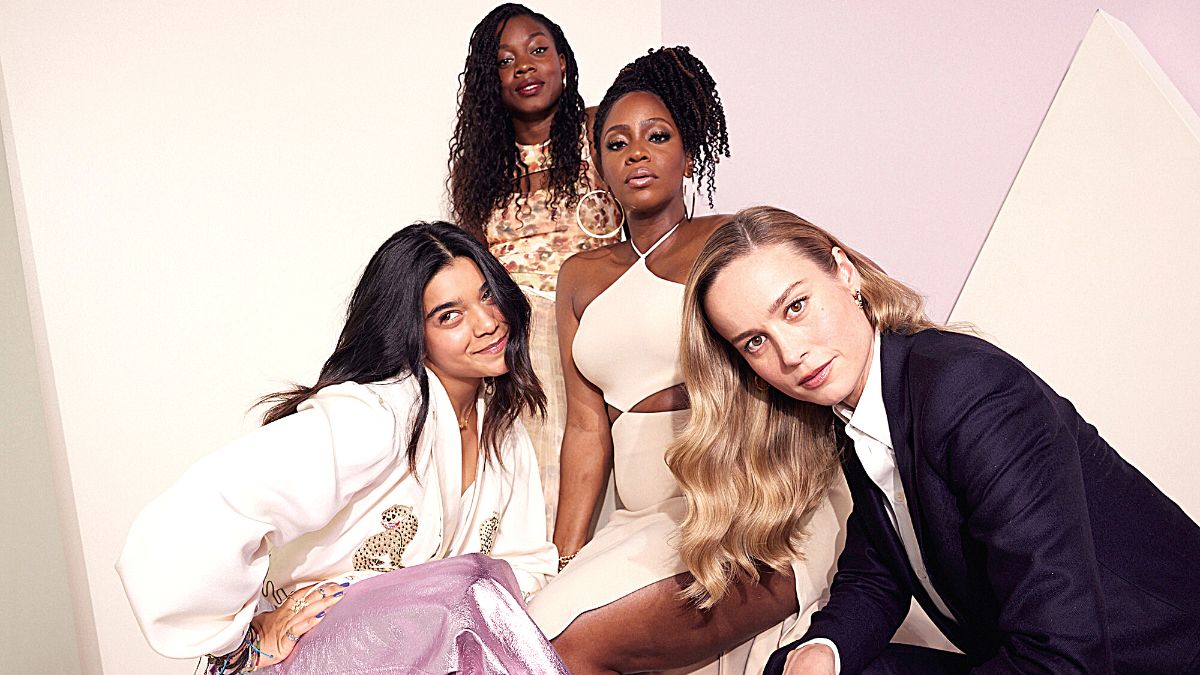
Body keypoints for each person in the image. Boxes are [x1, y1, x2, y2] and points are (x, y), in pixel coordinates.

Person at [676, 205, 1200, 674]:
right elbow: (878, 565)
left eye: (795, 307)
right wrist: (823, 651)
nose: (789, 353)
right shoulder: (865, 405)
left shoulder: (969, 394)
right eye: (755, 342)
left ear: (845, 272)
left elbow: (1064, 652)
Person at [525, 47, 851, 674]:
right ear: (598, 167)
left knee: (568, 647)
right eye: (616, 144)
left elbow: (853, 295)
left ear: (688, 150)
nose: (637, 154)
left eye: (657, 136)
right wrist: (560, 561)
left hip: (747, 503)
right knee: (534, 630)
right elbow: (588, 431)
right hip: (640, 519)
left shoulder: (736, 239)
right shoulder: (580, 276)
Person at [117, 222, 565, 674]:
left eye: (487, 295)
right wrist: (238, 643)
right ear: (410, 332)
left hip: (419, 656)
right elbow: (194, 515)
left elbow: (523, 564)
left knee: (481, 590)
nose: (488, 323)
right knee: (471, 589)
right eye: (449, 315)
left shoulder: (501, 430)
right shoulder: (376, 416)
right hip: (323, 653)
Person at [448, 3, 620, 531]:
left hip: (594, 324)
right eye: (505, 60)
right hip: (510, 339)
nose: (525, 66)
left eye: (538, 50)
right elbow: (472, 273)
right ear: (489, 82)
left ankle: (561, 567)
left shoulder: (603, 134)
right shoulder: (482, 168)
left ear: (563, 62)